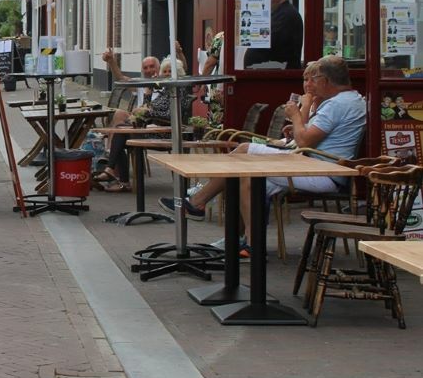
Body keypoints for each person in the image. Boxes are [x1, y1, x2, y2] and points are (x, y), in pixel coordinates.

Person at [159, 56, 366, 254]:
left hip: (320, 170)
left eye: (315, 78)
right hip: (316, 164)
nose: (311, 83)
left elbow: (304, 141)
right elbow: (309, 138)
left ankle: (207, 209)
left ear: (326, 80)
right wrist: (296, 129)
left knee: (244, 154)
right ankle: (237, 239)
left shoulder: (336, 105)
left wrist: (295, 116)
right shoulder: (349, 100)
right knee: (245, 178)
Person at [95, 57, 194, 192]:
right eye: (165, 71)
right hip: (151, 127)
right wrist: (147, 99)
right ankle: (114, 173)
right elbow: (149, 106)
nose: (167, 74)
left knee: (120, 134)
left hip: (165, 132)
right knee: (120, 132)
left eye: (170, 71)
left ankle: (118, 176)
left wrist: (148, 113)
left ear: (178, 73)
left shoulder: (178, 91)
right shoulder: (164, 89)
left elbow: (171, 116)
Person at [244, 0, 303, 70]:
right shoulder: (274, 14)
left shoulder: (287, 14)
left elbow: (267, 39)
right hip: (264, 74)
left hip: (277, 77)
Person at [100, 49, 162, 125]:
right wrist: (111, 61)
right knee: (118, 114)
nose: (149, 70)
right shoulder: (140, 84)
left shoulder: (166, 84)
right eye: (145, 68)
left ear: (159, 67)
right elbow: (120, 78)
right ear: (142, 71)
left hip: (156, 120)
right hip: (139, 119)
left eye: (152, 66)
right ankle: (112, 136)